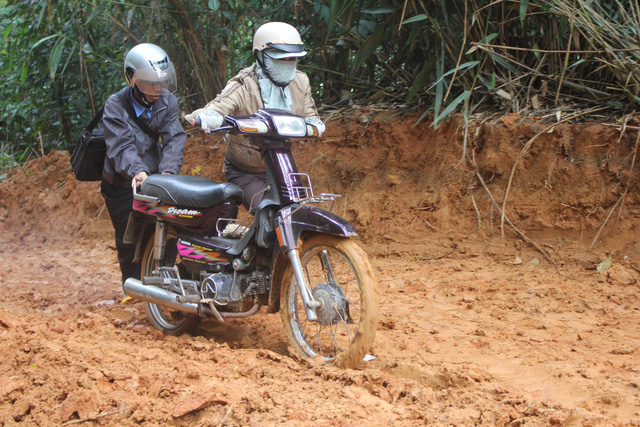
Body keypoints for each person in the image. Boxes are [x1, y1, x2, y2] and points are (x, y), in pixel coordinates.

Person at [185, 21, 325, 210]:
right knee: (270, 215)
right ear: (260, 56)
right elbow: (217, 106)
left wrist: (315, 125)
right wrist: (208, 117)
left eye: (291, 58)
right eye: (279, 58)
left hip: (282, 166)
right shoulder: (245, 84)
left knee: (299, 211)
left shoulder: (300, 81)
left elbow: (311, 114)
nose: (286, 64)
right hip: (245, 171)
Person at [101, 43, 186, 287]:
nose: (157, 89)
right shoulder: (115, 105)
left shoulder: (167, 101)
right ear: (132, 79)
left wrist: (168, 172)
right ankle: (132, 285)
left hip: (155, 177)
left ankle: (161, 283)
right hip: (120, 181)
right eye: (149, 84)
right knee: (129, 236)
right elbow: (121, 146)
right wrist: (137, 172)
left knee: (166, 227)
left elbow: (174, 137)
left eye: (160, 83)